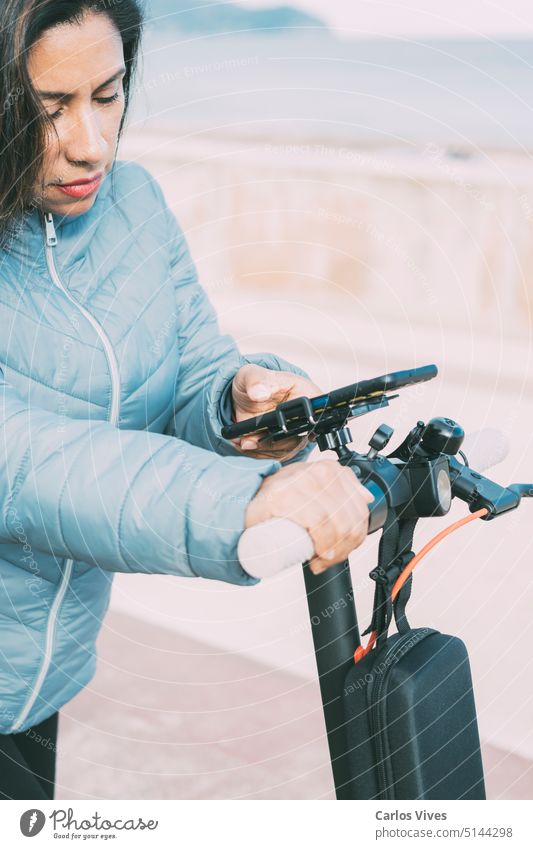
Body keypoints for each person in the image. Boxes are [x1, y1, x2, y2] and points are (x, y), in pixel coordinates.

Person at [0, 0, 372, 800]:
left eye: (107, 94)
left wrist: (244, 407)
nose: (89, 143)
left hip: (38, 679)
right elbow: (27, 465)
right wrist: (247, 501)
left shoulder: (131, 205)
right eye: (48, 108)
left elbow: (192, 369)